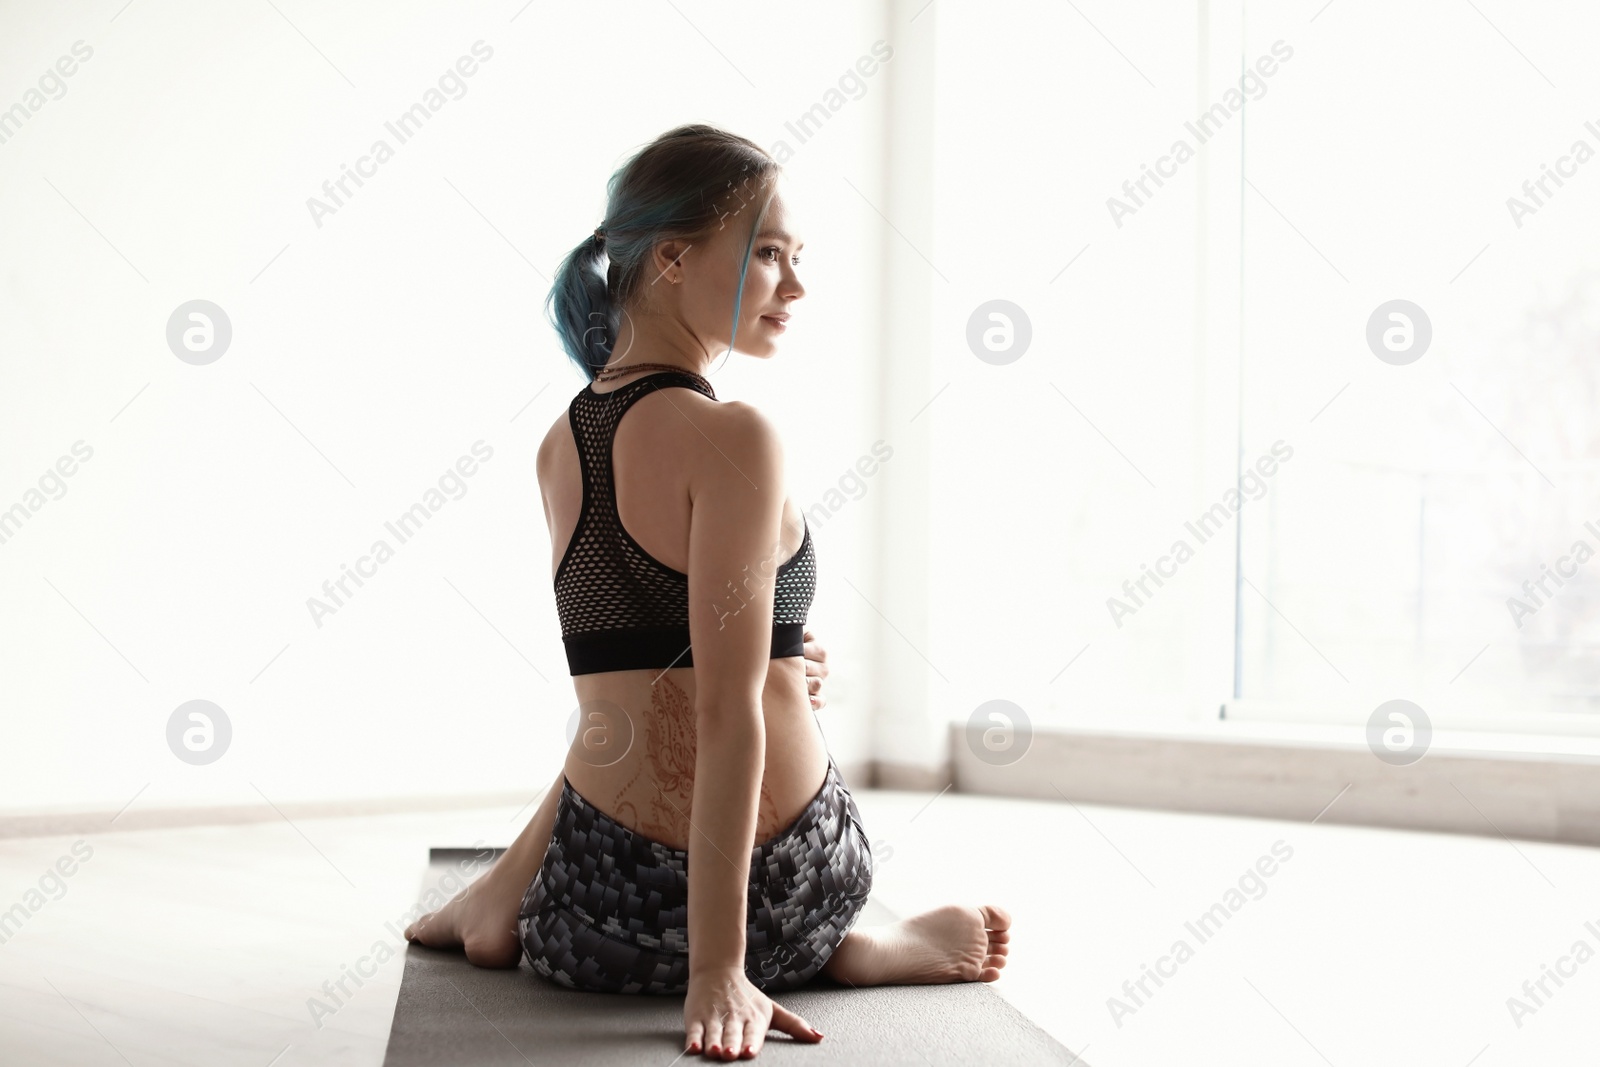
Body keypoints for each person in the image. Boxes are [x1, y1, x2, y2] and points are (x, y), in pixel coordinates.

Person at [405, 123, 1010, 1061]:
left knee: (623, 712)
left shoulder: (559, 444)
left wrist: (774, 650)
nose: (796, 286)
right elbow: (728, 715)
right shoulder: (736, 435)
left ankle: (498, 898)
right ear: (676, 258)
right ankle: (845, 948)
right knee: (734, 704)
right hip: (776, 896)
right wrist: (716, 970)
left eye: (797, 259)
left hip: (592, 915)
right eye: (770, 254)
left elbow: (641, 672)